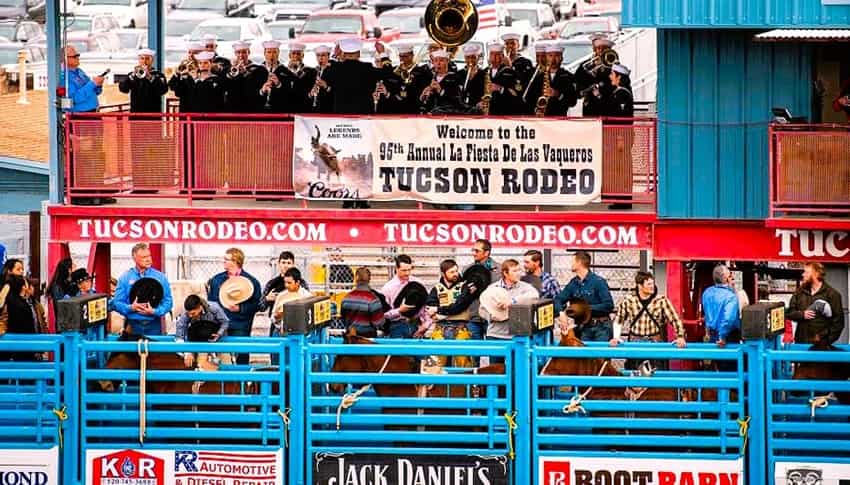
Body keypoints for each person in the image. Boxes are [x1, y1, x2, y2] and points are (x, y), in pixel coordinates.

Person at [611, 271, 687, 370]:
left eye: (652, 283)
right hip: (635, 342)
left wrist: (680, 336)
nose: (652, 286)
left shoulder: (661, 301)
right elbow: (618, 320)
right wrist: (616, 337)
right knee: (635, 373)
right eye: (649, 284)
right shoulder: (629, 301)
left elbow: (675, 319)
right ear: (639, 286)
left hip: (655, 342)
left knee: (657, 373)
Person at [206, 247, 261, 365]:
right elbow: (210, 302)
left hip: (240, 325)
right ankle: (224, 382)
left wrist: (241, 308)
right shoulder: (217, 280)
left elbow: (257, 305)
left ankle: (242, 382)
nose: (224, 261)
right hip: (220, 325)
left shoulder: (252, 282)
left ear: (236, 261)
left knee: (241, 355)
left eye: (227, 259)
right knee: (221, 357)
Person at [112, 243, 173, 336]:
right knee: (131, 350)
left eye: (149, 255)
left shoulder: (161, 277)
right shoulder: (125, 278)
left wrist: (155, 311)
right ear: (135, 258)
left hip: (154, 325)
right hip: (132, 325)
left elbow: (168, 302)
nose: (148, 259)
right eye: (144, 257)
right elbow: (117, 303)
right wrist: (131, 308)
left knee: (155, 350)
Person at [554, 251, 615, 341]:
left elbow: (609, 305)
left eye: (573, 261)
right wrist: (561, 314)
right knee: (583, 354)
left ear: (579, 263)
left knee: (600, 354)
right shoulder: (573, 283)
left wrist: (584, 308)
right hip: (584, 328)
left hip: (601, 327)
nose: (571, 264)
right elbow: (558, 299)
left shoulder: (598, 282)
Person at [426, 259, 477, 367]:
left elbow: (460, 306)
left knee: (464, 363)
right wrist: (441, 312)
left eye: (456, 271)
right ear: (443, 273)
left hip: (461, 328)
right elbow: (429, 308)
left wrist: (439, 312)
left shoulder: (465, 287)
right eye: (451, 272)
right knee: (435, 363)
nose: (455, 274)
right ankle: (433, 384)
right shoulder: (437, 289)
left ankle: (466, 384)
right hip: (440, 328)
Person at [322, 38, 384, 114]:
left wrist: (334, 56)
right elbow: (386, 74)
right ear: (359, 54)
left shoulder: (335, 68)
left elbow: (323, 77)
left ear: (343, 54)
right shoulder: (368, 68)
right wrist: (383, 54)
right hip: (364, 115)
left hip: (340, 115)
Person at [787, 262, 844, 344]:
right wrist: (802, 314)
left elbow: (838, 323)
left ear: (816, 274)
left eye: (806, 272)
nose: (803, 275)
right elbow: (789, 313)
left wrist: (825, 340)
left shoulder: (832, 294)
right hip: (801, 343)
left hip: (821, 347)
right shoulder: (799, 292)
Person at [482, 259, 539, 341]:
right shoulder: (493, 288)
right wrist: (493, 316)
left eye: (519, 270)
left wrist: (512, 301)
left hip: (517, 336)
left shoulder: (526, 287)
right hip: (495, 334)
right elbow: (482, 308)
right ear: (505, 273)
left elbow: (534, 295)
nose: (519, 273)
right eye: (515, 271)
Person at [380, 254, 431, 339]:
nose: (407, 273)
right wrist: (399, 310)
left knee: (418, 352)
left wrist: (426, 325)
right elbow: (383, 314)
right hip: (396, 327)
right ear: (396, 269)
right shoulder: (388, 288)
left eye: (409, 270)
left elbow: (426, 306)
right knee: (399, 352)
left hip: (416, 325)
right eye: (404, 270)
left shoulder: (418, 283)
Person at [174, 294, 230, 367]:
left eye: (193, 313)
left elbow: (225, 322)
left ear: (200, 307)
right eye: (189, 314)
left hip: (219, 340)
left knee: (226, 364)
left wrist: (219, 333)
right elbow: (180, 329)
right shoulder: (187, 313)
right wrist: (186, 351)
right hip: (200, 343)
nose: (190, 316)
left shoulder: (214, 308)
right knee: (202, 366)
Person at [701, 264, 741, 349]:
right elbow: (728, 319)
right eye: (730, 275)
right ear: (726, 279)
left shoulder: (707, 292)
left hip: (712, 334)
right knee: (730, 361)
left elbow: (706, 313)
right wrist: (722, 336)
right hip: (727, 337)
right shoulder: (730, 296)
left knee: (717, 360)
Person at [2, 275, 41, 361]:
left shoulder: (11, 301)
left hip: (13, 343)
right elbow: (28, 327)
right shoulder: (23, 305)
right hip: (24, 344)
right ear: (23, 286)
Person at [341, 267, 387, 338]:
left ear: (356, 279)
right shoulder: (373, 299)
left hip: (351, 339)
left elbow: (343, 318)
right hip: (368, 339)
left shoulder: (346, 298)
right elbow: (379, 323)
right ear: (369, 280)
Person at [118, 48, 168, 113]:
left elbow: (163, 90)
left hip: (153, 114)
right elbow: (123, 89)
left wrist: (150, 77)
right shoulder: (132, 75)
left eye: (147, 58)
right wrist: (132, 76)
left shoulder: (159, 75)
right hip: (135, 114)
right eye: (142, 58)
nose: (144, 61)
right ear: (139, 60)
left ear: (152, 60)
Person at [262, 251, 309, 318]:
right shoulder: (271, 283)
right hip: (276, 324)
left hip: (297, 320)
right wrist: (267, 299)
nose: (286, 266)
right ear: (279, 264)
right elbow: (261, 307)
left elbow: (308, 303)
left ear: (293, 264)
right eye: (283, 262)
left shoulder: (301, 283)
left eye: (289, 263)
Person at [225, 41, 266, 113]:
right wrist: (231, 73)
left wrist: (245, 73)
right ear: (235, 53)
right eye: (238, 52)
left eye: (244, 52)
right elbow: (225, 86)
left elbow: (256, 87)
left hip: (251, 107)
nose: (241, 55)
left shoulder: (259, 69)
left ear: (249, 52)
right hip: (233, 108)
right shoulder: (228, 69)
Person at [59, 45, 104, 113]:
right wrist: (92, 84)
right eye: (75, 56)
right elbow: (74, 99)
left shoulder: (80, 71)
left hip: (93, 112)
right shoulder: (64, 77)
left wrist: (98, 85)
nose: (78, 58)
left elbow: (96, 92)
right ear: (65, 59)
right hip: (80, 115)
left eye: (78, 55)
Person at [418, 49, 460, 114]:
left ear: (447, 61)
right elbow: (422, 101)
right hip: (429, 114)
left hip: (446, 114)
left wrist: (440, 91)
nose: (438, 63)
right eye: (436, 60)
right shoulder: (429, 77)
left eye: (441, 60)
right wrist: (423, 96)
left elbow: (457, 100)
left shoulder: (454, 78)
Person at [484, 43, 521, 115]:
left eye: (497, 55)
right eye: (492, 54)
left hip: (503, 111)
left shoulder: (510, 72)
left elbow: (517, 93)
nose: (494, 57)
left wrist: (501, 89)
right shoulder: (485, 71)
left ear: (502, 56)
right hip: (487, 112)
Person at [271, 267, 312, 332]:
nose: (286, 285)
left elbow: (310, 319)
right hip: (283, 332)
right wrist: (277, 317)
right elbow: (273, 317)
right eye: (285, 282)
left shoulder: (306, 296)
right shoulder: (281, 296)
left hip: (301, 333)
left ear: (297, 282)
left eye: (289, 283)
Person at [457, 44, 485, 110]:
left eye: (473, 57)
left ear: (478, 58)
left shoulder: (484, 74)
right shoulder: (459, 74)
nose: (470, 60)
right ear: (464, 58)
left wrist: (482, 102)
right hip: (461, 109)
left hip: (477, 109)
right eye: (468, 57)